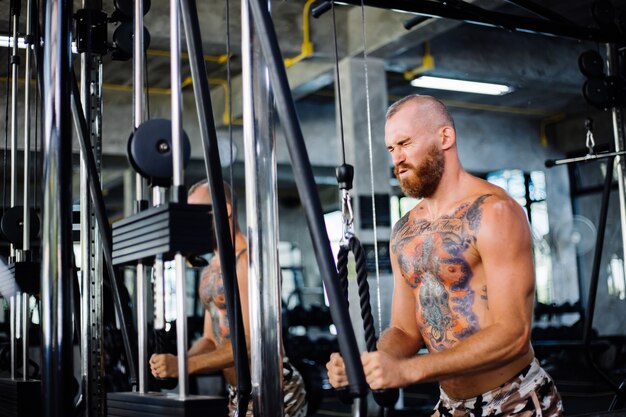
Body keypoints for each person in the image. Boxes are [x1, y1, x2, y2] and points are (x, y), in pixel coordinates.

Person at [326, 95, 563, 416]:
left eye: (405, 143)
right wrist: (367, 365)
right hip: (451, 404)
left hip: (514, 399)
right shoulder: (405, 230)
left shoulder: (495, 211)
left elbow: (514, 334)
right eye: (391, 149)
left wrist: (410, 371)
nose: (398, 158)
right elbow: (404, 331)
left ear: (445, 137)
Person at [150, 180, 307, 417]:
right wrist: (174, 362)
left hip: (273, 387)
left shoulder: (250, 260)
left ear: (225, 210)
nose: (190, 223)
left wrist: (183, 366)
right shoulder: (210, 270)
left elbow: (252, 343)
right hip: (238, 391)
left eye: (197, 213)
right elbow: (210, 339)